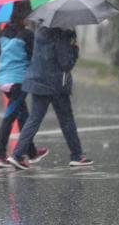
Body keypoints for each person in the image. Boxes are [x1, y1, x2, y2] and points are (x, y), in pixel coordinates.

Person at [7, 26, 93, 169]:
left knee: (34, 119)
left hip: (38, 80)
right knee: (66, 120)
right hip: (56, 84)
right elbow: (66, 63)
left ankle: (16, 155)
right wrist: (75, 49)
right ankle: (77, 155)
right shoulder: (64, 33)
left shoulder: (41, 31)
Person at [0, 1, 49, 168]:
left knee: (23, 115)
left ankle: (31, 152)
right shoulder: (27, 35)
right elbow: (35, 58)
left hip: (3, 80)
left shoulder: (3, 32)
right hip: (18, 81)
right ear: (25, 16)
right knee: (9, 117)